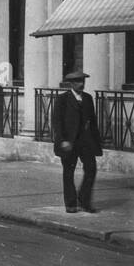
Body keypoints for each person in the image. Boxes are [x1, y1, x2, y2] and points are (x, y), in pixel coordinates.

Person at [52, 70, 102, 213]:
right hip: (69, 142)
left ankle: (84, 200)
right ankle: (71, 203)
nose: (81, 84)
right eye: (78, 82)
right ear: (71, 84)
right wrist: (62, 141)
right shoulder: (62, 99)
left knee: (91, 169)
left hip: (85, 142)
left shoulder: (88, 98)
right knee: (68, 172)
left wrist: (96, 141)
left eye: (83, 81)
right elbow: (57, 122)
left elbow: (92, 122)